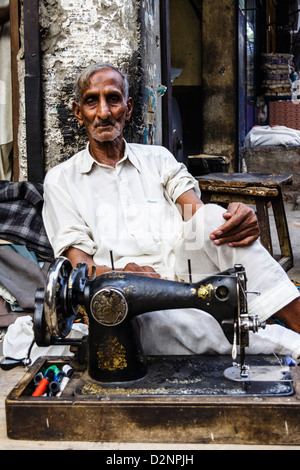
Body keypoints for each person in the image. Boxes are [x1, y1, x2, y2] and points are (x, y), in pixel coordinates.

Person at [42, 62, 300, 356]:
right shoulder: (61, 180)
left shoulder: (158, 158)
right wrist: (120, 274)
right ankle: (290, 345)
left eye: (113, 99)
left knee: (214, 217)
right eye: (92, 101)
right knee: (173, 324)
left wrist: (233, 219)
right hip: (126, 292)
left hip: (186, 271)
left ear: (127, 109)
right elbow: (79, 267)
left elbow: (196, 214)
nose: (103, 112)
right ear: (79, 113)